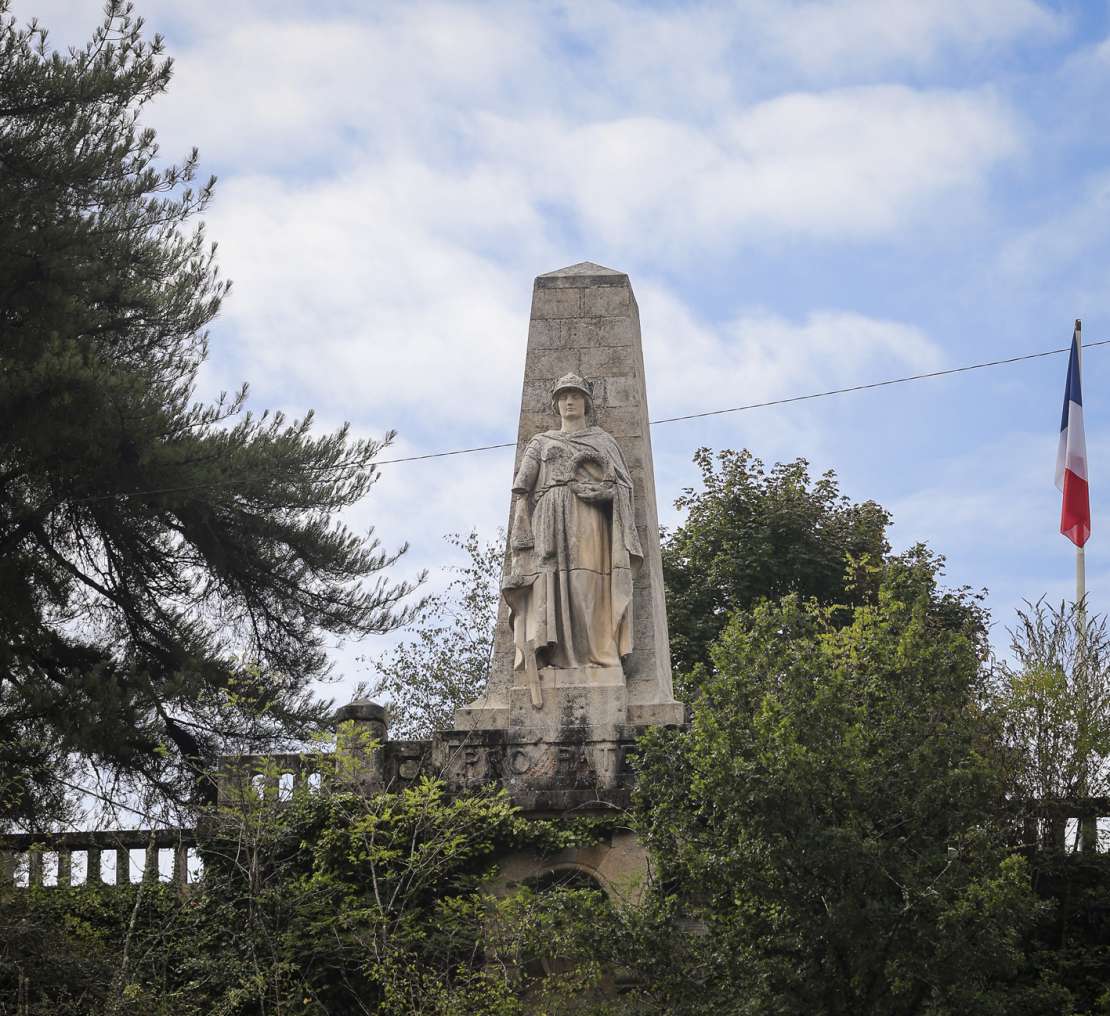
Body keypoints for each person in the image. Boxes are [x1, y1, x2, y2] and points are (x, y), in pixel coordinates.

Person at [503, 374, 642, 706]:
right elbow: (522, 491)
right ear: (556, 404)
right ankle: (553, 656)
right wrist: (521, 537)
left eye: (576, 396)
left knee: (587, 585)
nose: (570, 401)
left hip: (590, 518)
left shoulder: (603, 442)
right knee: (549, 589)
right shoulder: (541, 442)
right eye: (564, 396)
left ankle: (598, 657)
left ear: (586, 403)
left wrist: (601, 491)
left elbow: (622, 487)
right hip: (548, 518)